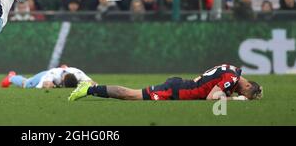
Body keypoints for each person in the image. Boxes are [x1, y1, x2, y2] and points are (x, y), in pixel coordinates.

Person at [69, 64, 262, 102]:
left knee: (132, 95)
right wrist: (236, 101)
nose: (238, 94)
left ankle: (90, 89)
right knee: (131, 95)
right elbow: (212, 98)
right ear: (246, 86)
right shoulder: (233, 79)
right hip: (176, 91)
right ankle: (89, 89)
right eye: (242, 94)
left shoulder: (232, 69)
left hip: (181, 86)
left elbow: (201, 79)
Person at [1, 65, 95, 89]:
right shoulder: (54, 74)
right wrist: (50, 85)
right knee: (27, 84)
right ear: (62, 79)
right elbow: (46, 84)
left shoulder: (78, 73)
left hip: (61, 70)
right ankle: (11, 77)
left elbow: (92, 83)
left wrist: (91, 86)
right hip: (45, 74)